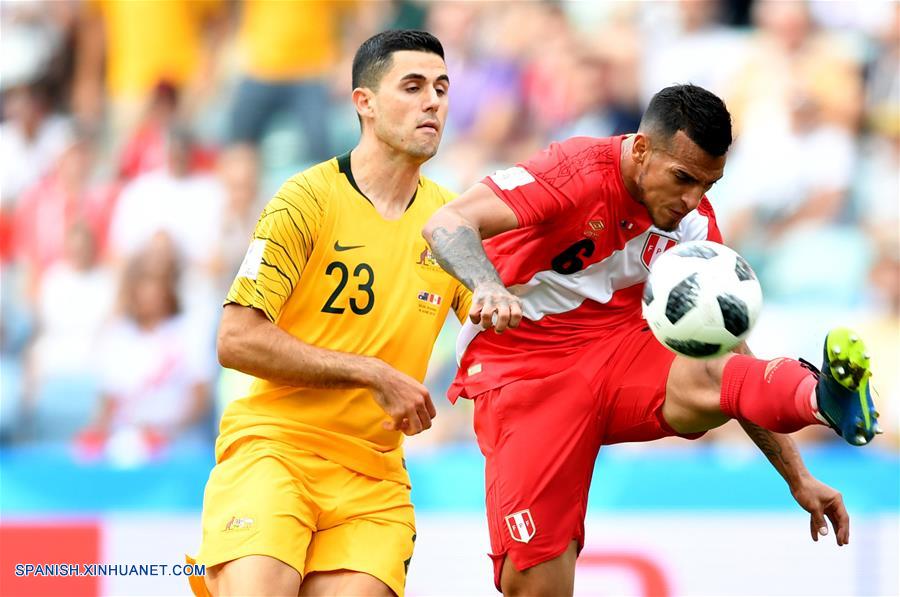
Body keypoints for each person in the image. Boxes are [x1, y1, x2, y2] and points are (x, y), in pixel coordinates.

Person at [422, 84, 881, 596]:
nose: (692, 200)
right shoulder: (570, 171)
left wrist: (797, 475)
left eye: (707, 184)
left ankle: (821, 398)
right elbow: (447, 221)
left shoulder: (694, 225)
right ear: (641, 150)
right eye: (683, 178)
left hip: (623, 354)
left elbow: (731, 349)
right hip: (526, 371)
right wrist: (487, 285)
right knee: (535, 584)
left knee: (711, 366)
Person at [191, 30, 469, 597]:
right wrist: (371, 372)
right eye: (413, 87)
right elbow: (236, 338)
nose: (432, 102)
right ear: (364, 103)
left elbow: (505, 337)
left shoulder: (452, 221)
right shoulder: (305, 199)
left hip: (374, 478)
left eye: (441, 89)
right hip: (275, 450)